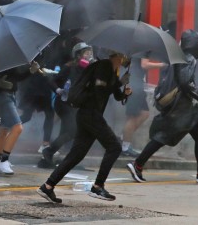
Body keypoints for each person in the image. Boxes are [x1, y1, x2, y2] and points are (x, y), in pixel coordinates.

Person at [127, 30, 198, 183]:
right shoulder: (189, 58)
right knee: (166, 136)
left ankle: (138, 164)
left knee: (188, 135)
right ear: (194, 45)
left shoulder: (178, 56)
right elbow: (186, 82)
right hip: (182, 107)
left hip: (178, 106)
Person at [37, 51, 131, 203]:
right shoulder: (104, 66)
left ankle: (48, 186)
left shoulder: (113, 70)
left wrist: (124, 92)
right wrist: (119, 82)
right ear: (118, 55)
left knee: (77, 154)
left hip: (89, 115)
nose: (126, 60)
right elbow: (100, 91)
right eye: (124, 57)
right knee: (114, 147)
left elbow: (115, 95)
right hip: (90, 113)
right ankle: (98, 186)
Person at [39, 42, 93, 168]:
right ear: (78, 55)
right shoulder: (69, 67)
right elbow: (52, 81)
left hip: (75, 104)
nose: (88, 56)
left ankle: (50, 157)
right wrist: (58, 90)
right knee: (73, 130)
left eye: (90, 54)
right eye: (86, 53)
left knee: (65, 131)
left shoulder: (88, 71)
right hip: (63, 103)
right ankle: (48, 151)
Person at [120, 57, 166, 157]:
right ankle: (125, 147)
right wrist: (162, 65)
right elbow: (144, 64)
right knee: (132, 117)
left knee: (144, 113)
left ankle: (124, 138)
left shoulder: (141, 48)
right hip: (133, 85)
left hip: (135, 84)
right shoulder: (142, 47)